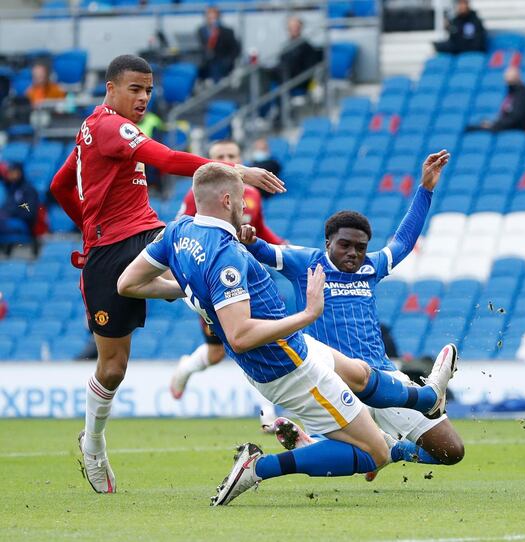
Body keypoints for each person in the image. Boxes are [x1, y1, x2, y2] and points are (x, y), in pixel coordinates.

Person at [117, 162, 458, 505]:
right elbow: (240, 332)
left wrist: (186, 288)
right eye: (240, 200)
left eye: (360, 246)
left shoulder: (179, 230)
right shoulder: (264, 258)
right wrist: (308, 314)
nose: (245, 207)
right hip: (290, 362)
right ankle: (261, 467)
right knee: (378, 454)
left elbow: (127, 283)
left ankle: (429, 397)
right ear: (226, 201)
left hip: (309, 352)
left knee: (361, 374)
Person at [49, 54, 283, 495]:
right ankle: (94, 444)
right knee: (113, 368)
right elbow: (167, 158)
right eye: (134, 89)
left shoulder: (98, 132)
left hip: (152, 234)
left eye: (148, 91)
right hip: (105, 254)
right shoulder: (105, 127)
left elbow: (62, 185)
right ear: (110, 89)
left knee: (223, 305)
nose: (142, 99)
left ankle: (276, 407)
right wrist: (240, 171)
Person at [241, 150, 466, 469]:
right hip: (330, 379)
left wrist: (425, 189)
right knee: (352, 456)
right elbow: (263, 250)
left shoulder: (372, 266)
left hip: (383, 378)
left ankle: (378, 446)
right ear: (327, 242)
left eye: (360, 247)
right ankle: (327, 443)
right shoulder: (305, 262)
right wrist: (249, 240)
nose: (353, 253)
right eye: (344, 244)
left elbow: (403, 241)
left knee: (451, 451)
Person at [170, 139, 286, 399]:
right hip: (213, 282)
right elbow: (180, 234)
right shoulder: (195, 196)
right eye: (219, 156)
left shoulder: (252, 196)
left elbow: (260, 231)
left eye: (230, 155)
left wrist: (282, 248)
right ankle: (186, 369)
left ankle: (267, 413)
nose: (225, 159)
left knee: (260, 340)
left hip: (247, 278)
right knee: (216, 352)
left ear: (240, 158)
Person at [465, 66, 525, 133]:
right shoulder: (512, 93)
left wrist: (496, 125)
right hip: (503, 125)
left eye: (510, 80)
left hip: (511, 128)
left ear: (517, 77)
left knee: (474, 129)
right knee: (471, 128)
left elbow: (516, 117)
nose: (507, 82)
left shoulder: (521, 95)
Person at [0, 162, 41, 253]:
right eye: (9, 172)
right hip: (8, 222)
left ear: (19, 172)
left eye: (12, 171)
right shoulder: (12, 189)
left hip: (23, 224)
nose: (10, 174)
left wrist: (11, 213)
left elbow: (30, 213)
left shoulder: (29, 190)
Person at [197, 6, 240, 83]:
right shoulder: (201, 31)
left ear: (218, 18)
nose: (211, 20)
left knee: (215, 67)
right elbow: (202, 47)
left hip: (222, 61)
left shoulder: (227, 31)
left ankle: (215, 89)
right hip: (205, 61)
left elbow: (235, 49)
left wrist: (228, 60)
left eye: (214, 17)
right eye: (209, 17)